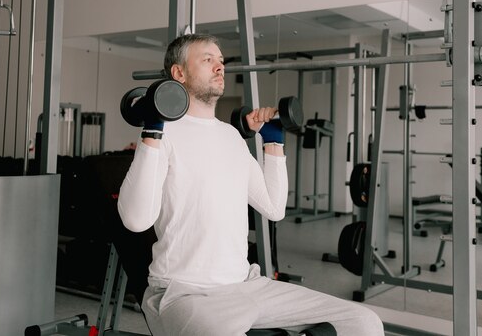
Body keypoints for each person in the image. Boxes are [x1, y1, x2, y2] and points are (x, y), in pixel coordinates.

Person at [118, 33, 384, 336]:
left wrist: (273, 140)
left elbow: (273, 207)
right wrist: (153, 128)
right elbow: (136, 220)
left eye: (221, 61)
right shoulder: (162, 133)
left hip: (248, 285)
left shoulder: (231, 136)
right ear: (178, 73)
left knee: (363, 323)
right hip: (185, 293)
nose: (220, 67)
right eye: (208, 60)